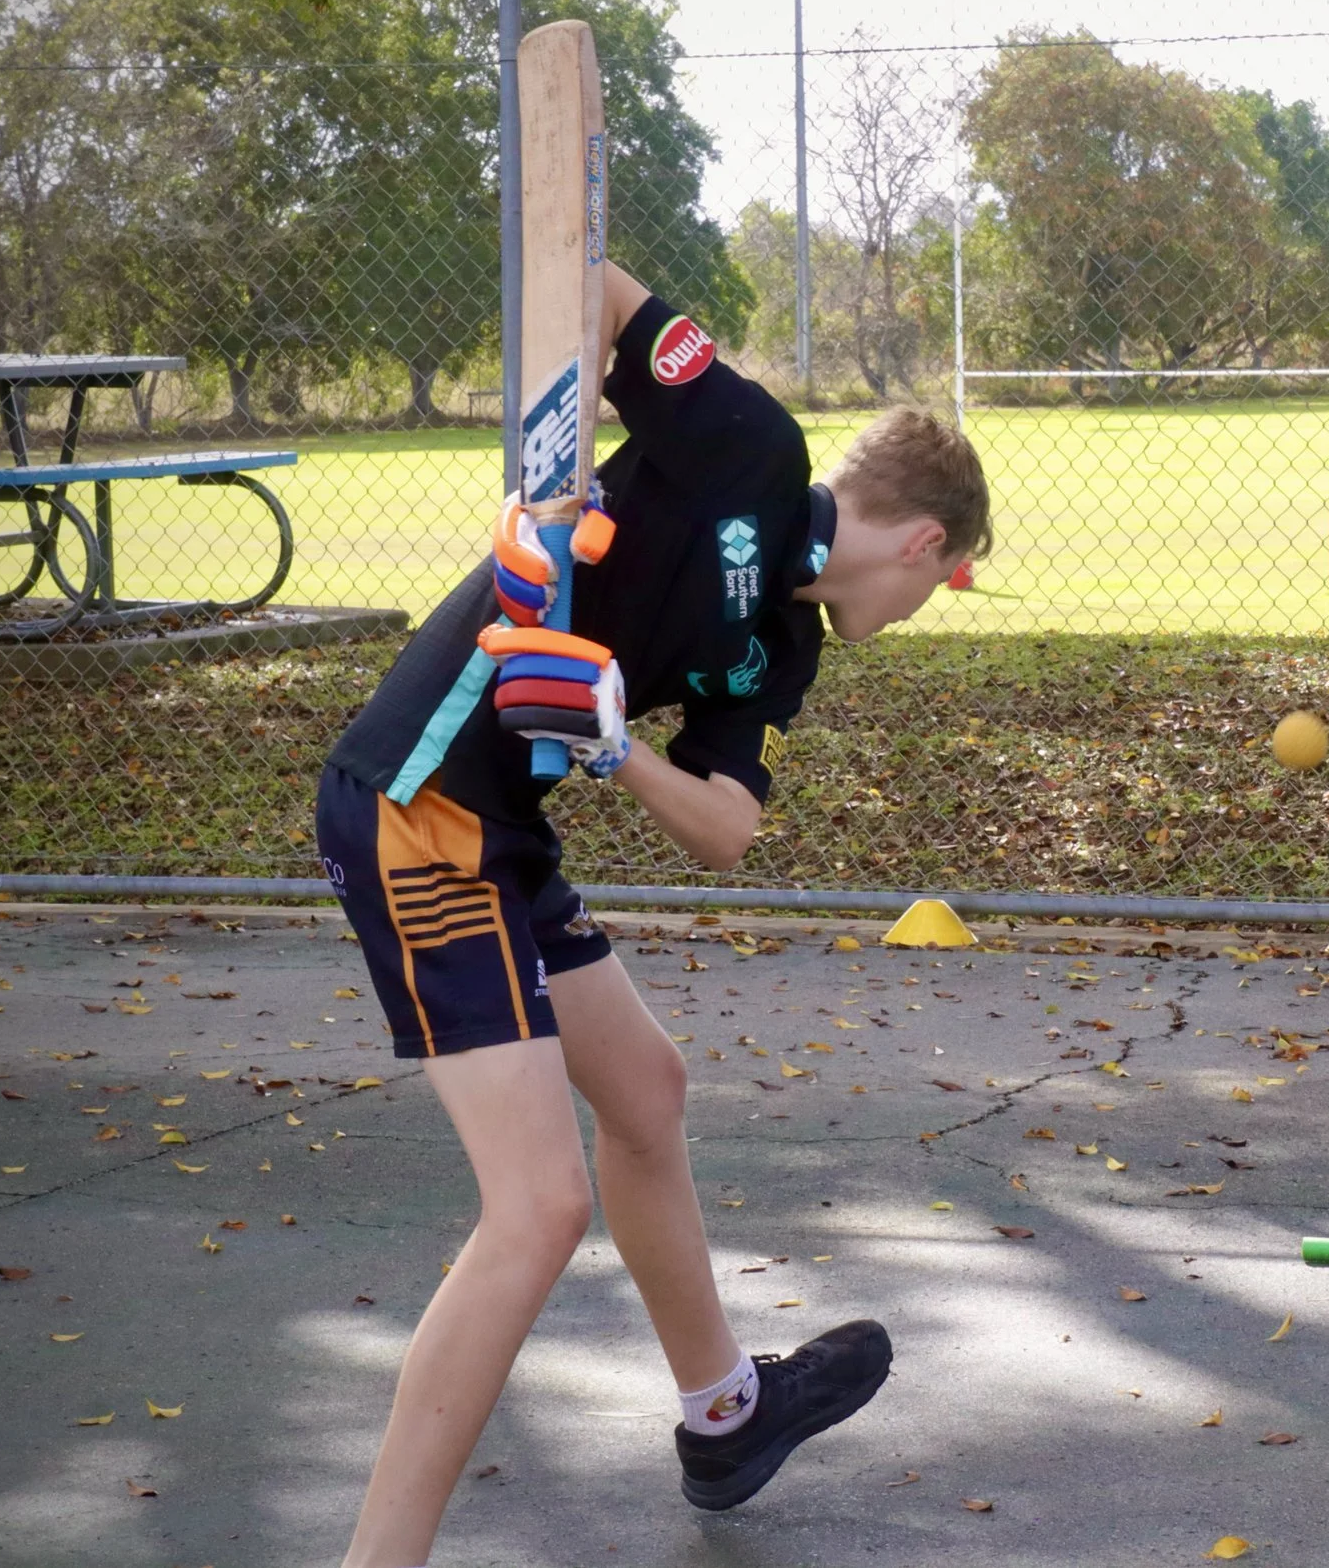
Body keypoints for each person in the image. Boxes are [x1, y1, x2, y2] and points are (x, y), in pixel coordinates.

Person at [313, 258, 992, 1568]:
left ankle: (724, 1415)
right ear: (922, 543)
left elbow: (727, 824)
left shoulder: (780, 649)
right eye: (937, 582)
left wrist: (622, 746)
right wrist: (543, 469)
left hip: (504, 825)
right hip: (418, 799)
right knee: (537, 1207)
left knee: (647, 1087)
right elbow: (590, 276)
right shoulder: (748, 445)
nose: (916, 611)